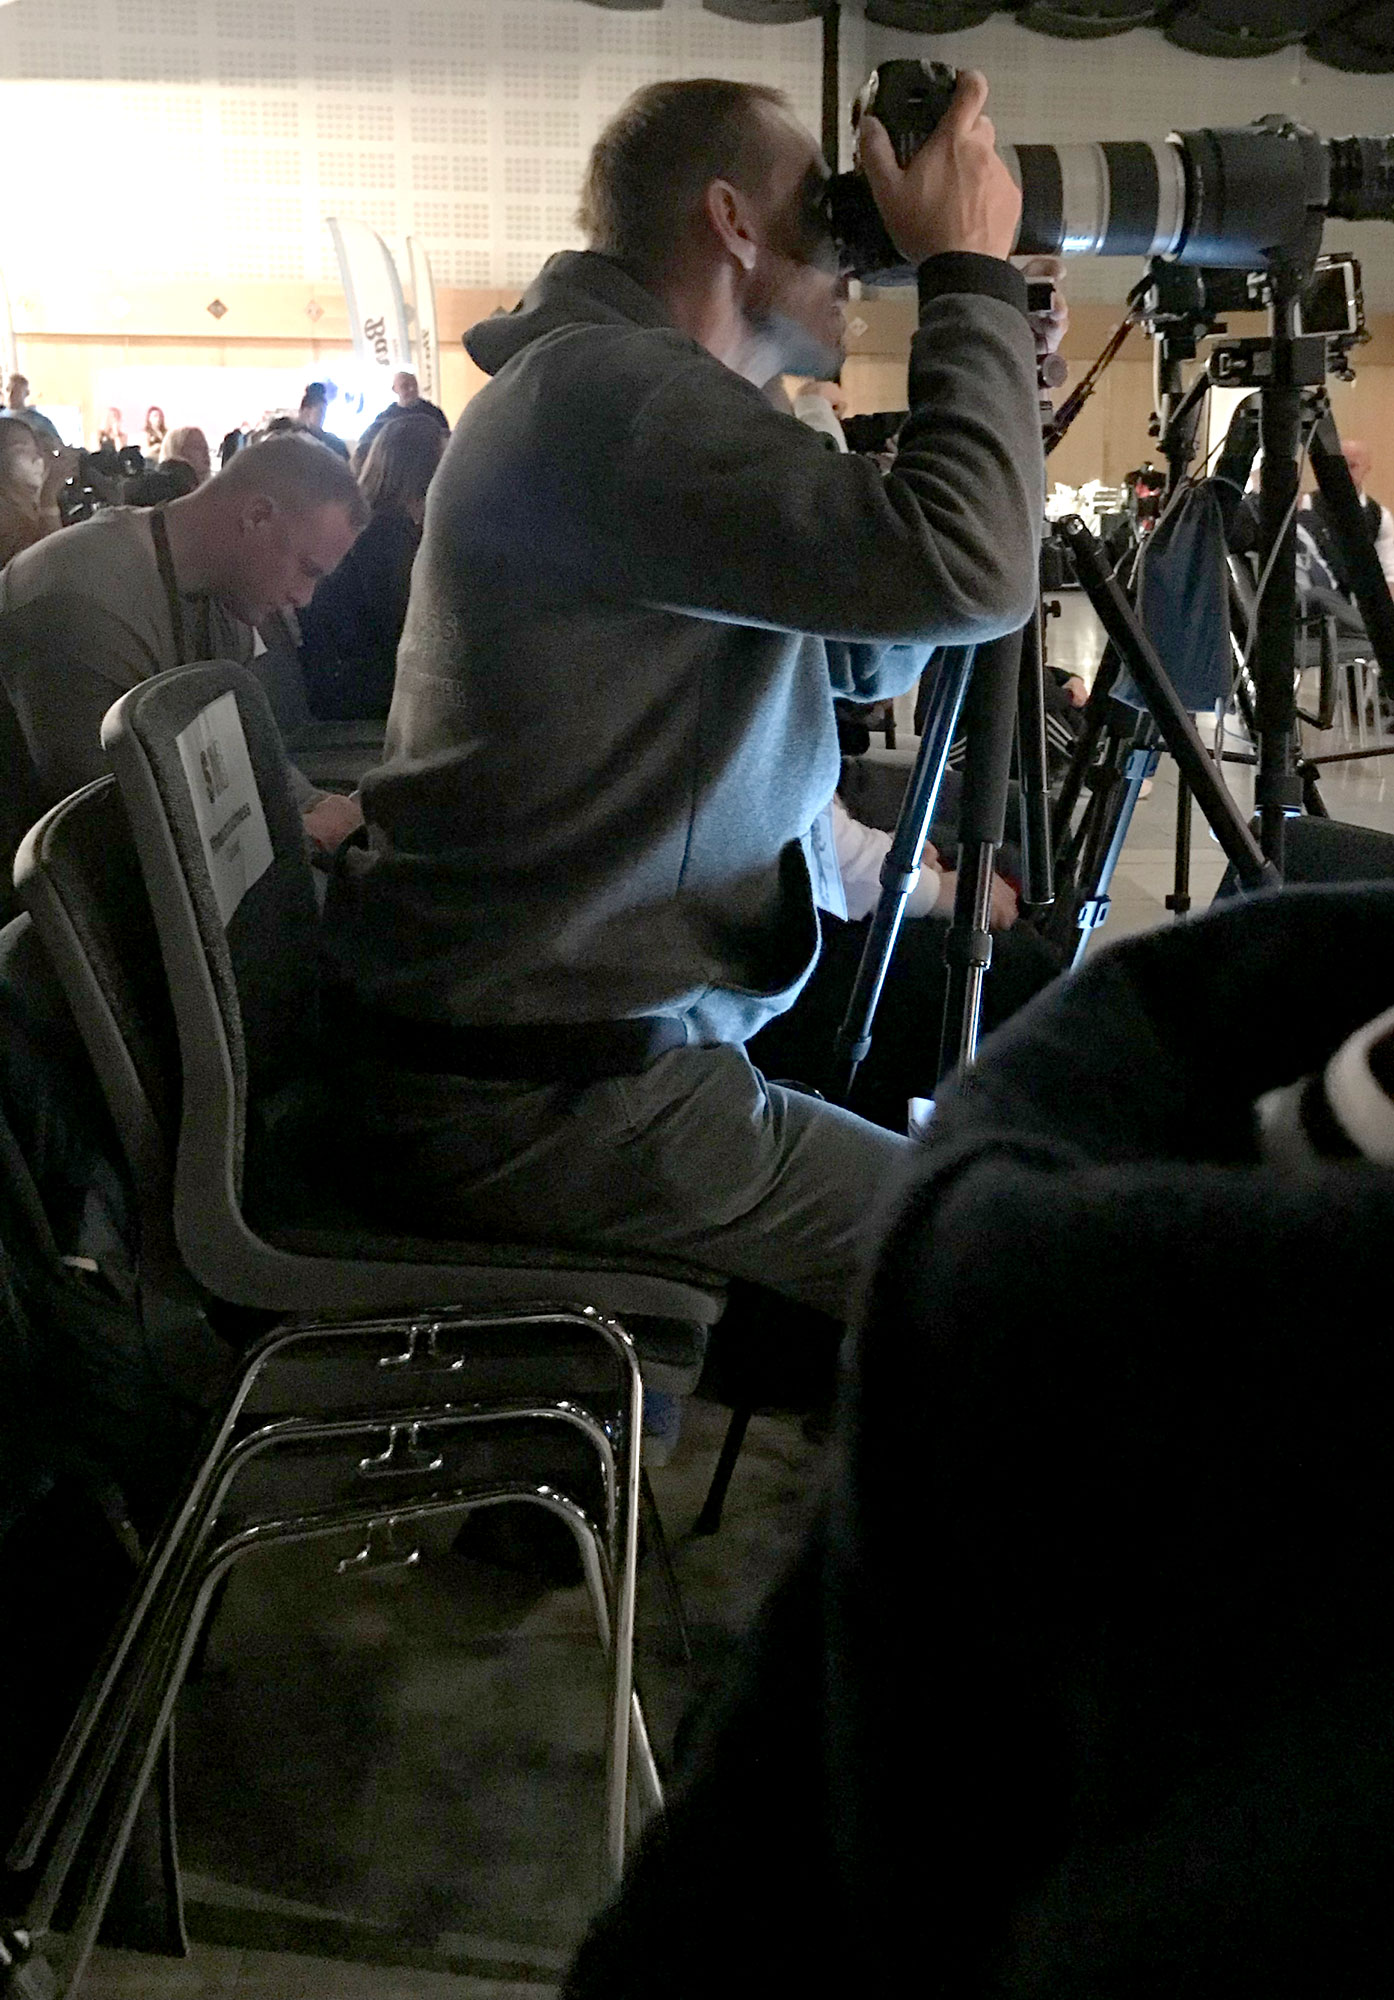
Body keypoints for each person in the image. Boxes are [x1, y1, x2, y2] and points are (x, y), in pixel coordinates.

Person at [318, 69, 1042, 1321]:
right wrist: (965, 279)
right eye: (826, 217)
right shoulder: (615, 397)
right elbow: (969, 570)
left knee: (971, 1164)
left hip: (557, 1056)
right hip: (554, 1099)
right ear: (732, 223)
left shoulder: (611, 394)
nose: (850, 258)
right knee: (1021, 1263)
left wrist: (985, 358)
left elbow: (872, 647)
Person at [0, 433, 367, 853]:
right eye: (308, 569)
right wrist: (302, 832)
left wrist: (320, 805)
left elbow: (240, 748)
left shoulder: (225, 594)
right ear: (257, 516)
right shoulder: (78, 597)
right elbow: (112, 828)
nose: (305, 597)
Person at [299, 413, 446, 720]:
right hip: (359, 692)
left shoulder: (373, 525)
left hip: (350, 680)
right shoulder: (386, 536)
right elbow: (408, 628)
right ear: (425, 471)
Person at [1300, 436, 1394, 597]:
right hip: (1316, 596)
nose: (1344, 472)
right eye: (1340, 466)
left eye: (1352, 466)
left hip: (1363, 601)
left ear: (1367, 468)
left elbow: (1389, 573)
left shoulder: (1380, 516)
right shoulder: (1305, 505)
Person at [0, 418, 77, 568]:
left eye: (38, 450)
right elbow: (48, 566)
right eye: (22, 449)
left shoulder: (32, 506)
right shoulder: (4, 516)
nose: (38, 458)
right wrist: (48, 498)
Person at [351, 368, 450, 470]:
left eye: (414, 385)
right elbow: (364, 449)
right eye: (405, 386)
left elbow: (447, 441)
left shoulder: (433, 414)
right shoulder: (385, 418)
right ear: (395, 389)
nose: (411, 389)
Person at [4, 373, 62, 450]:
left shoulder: (38, 421)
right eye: (8, 389)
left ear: (26, 393)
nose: (11, 394)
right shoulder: (2, 417)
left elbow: (58, 446)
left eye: (16, 390)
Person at [297, 380, 351, 462]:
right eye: (320, 412)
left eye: (323, 412)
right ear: (306, 411)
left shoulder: (335, 444)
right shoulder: (334, 444)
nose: (323, 417)